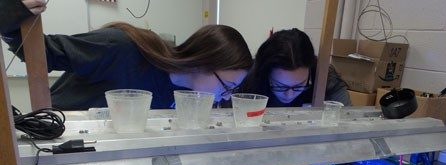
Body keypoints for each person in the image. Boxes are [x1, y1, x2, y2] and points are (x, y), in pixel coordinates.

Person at [1, 0, 252, 110]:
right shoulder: (122, 48)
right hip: (59, 141)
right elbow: (37, 51)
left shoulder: (183, 98)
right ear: (203, 63)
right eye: (227, 86)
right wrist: (12, 10)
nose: (224, 97)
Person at [240, 28, 351, 107]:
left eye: (299, 86)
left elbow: (346, 124)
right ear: (266, 74)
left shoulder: (327, 82)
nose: (289, 95)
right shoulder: (247, 81)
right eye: (280, 86)